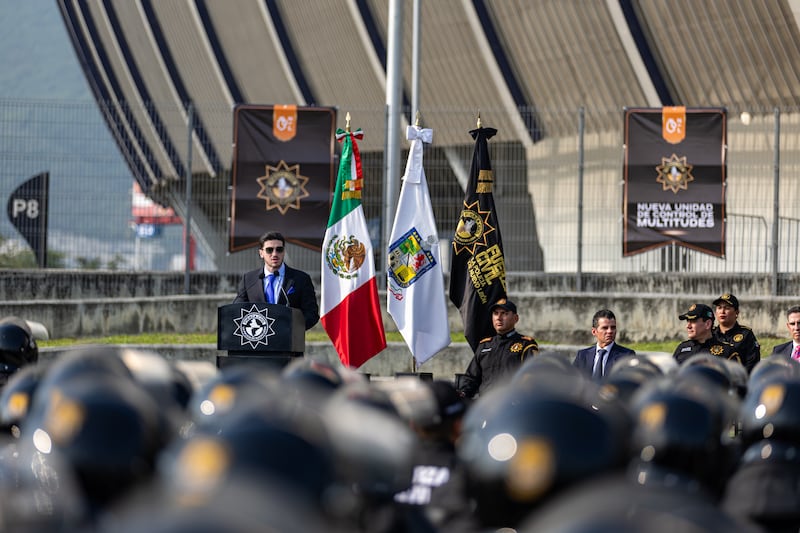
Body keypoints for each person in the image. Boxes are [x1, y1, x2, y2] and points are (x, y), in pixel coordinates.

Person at [233, 231, 319, 330]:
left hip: (289, 337)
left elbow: (311, 313)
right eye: (269, 250)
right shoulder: (249, 279)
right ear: (261, 253)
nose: (274, 254)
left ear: (284, 251)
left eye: (279, 249)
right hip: (257, 336)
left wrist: (293, 328)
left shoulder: (301, 279)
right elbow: (237, 310)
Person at [457, 299, 538, 399]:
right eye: (495, 313)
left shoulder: (526, 344)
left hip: (512, 404)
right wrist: (463, 392)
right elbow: (472, 377)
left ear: (515, 318)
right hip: (486, 404)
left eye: (504, 313)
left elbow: (532, 377)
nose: (499, 318)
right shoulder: (484, 345)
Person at [573, 309, 635, 381]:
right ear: (594, 331)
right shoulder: (582, 355)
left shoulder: (626, 355)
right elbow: (572, 380)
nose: (610, 331)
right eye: (605, 328)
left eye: (613, 327)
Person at [711, 293, 760, 373]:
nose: (722, 311)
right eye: (719, 308)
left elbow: (752, 363)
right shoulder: (711, 334)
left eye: (727, 308)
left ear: (736, 312)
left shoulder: (746, 334)